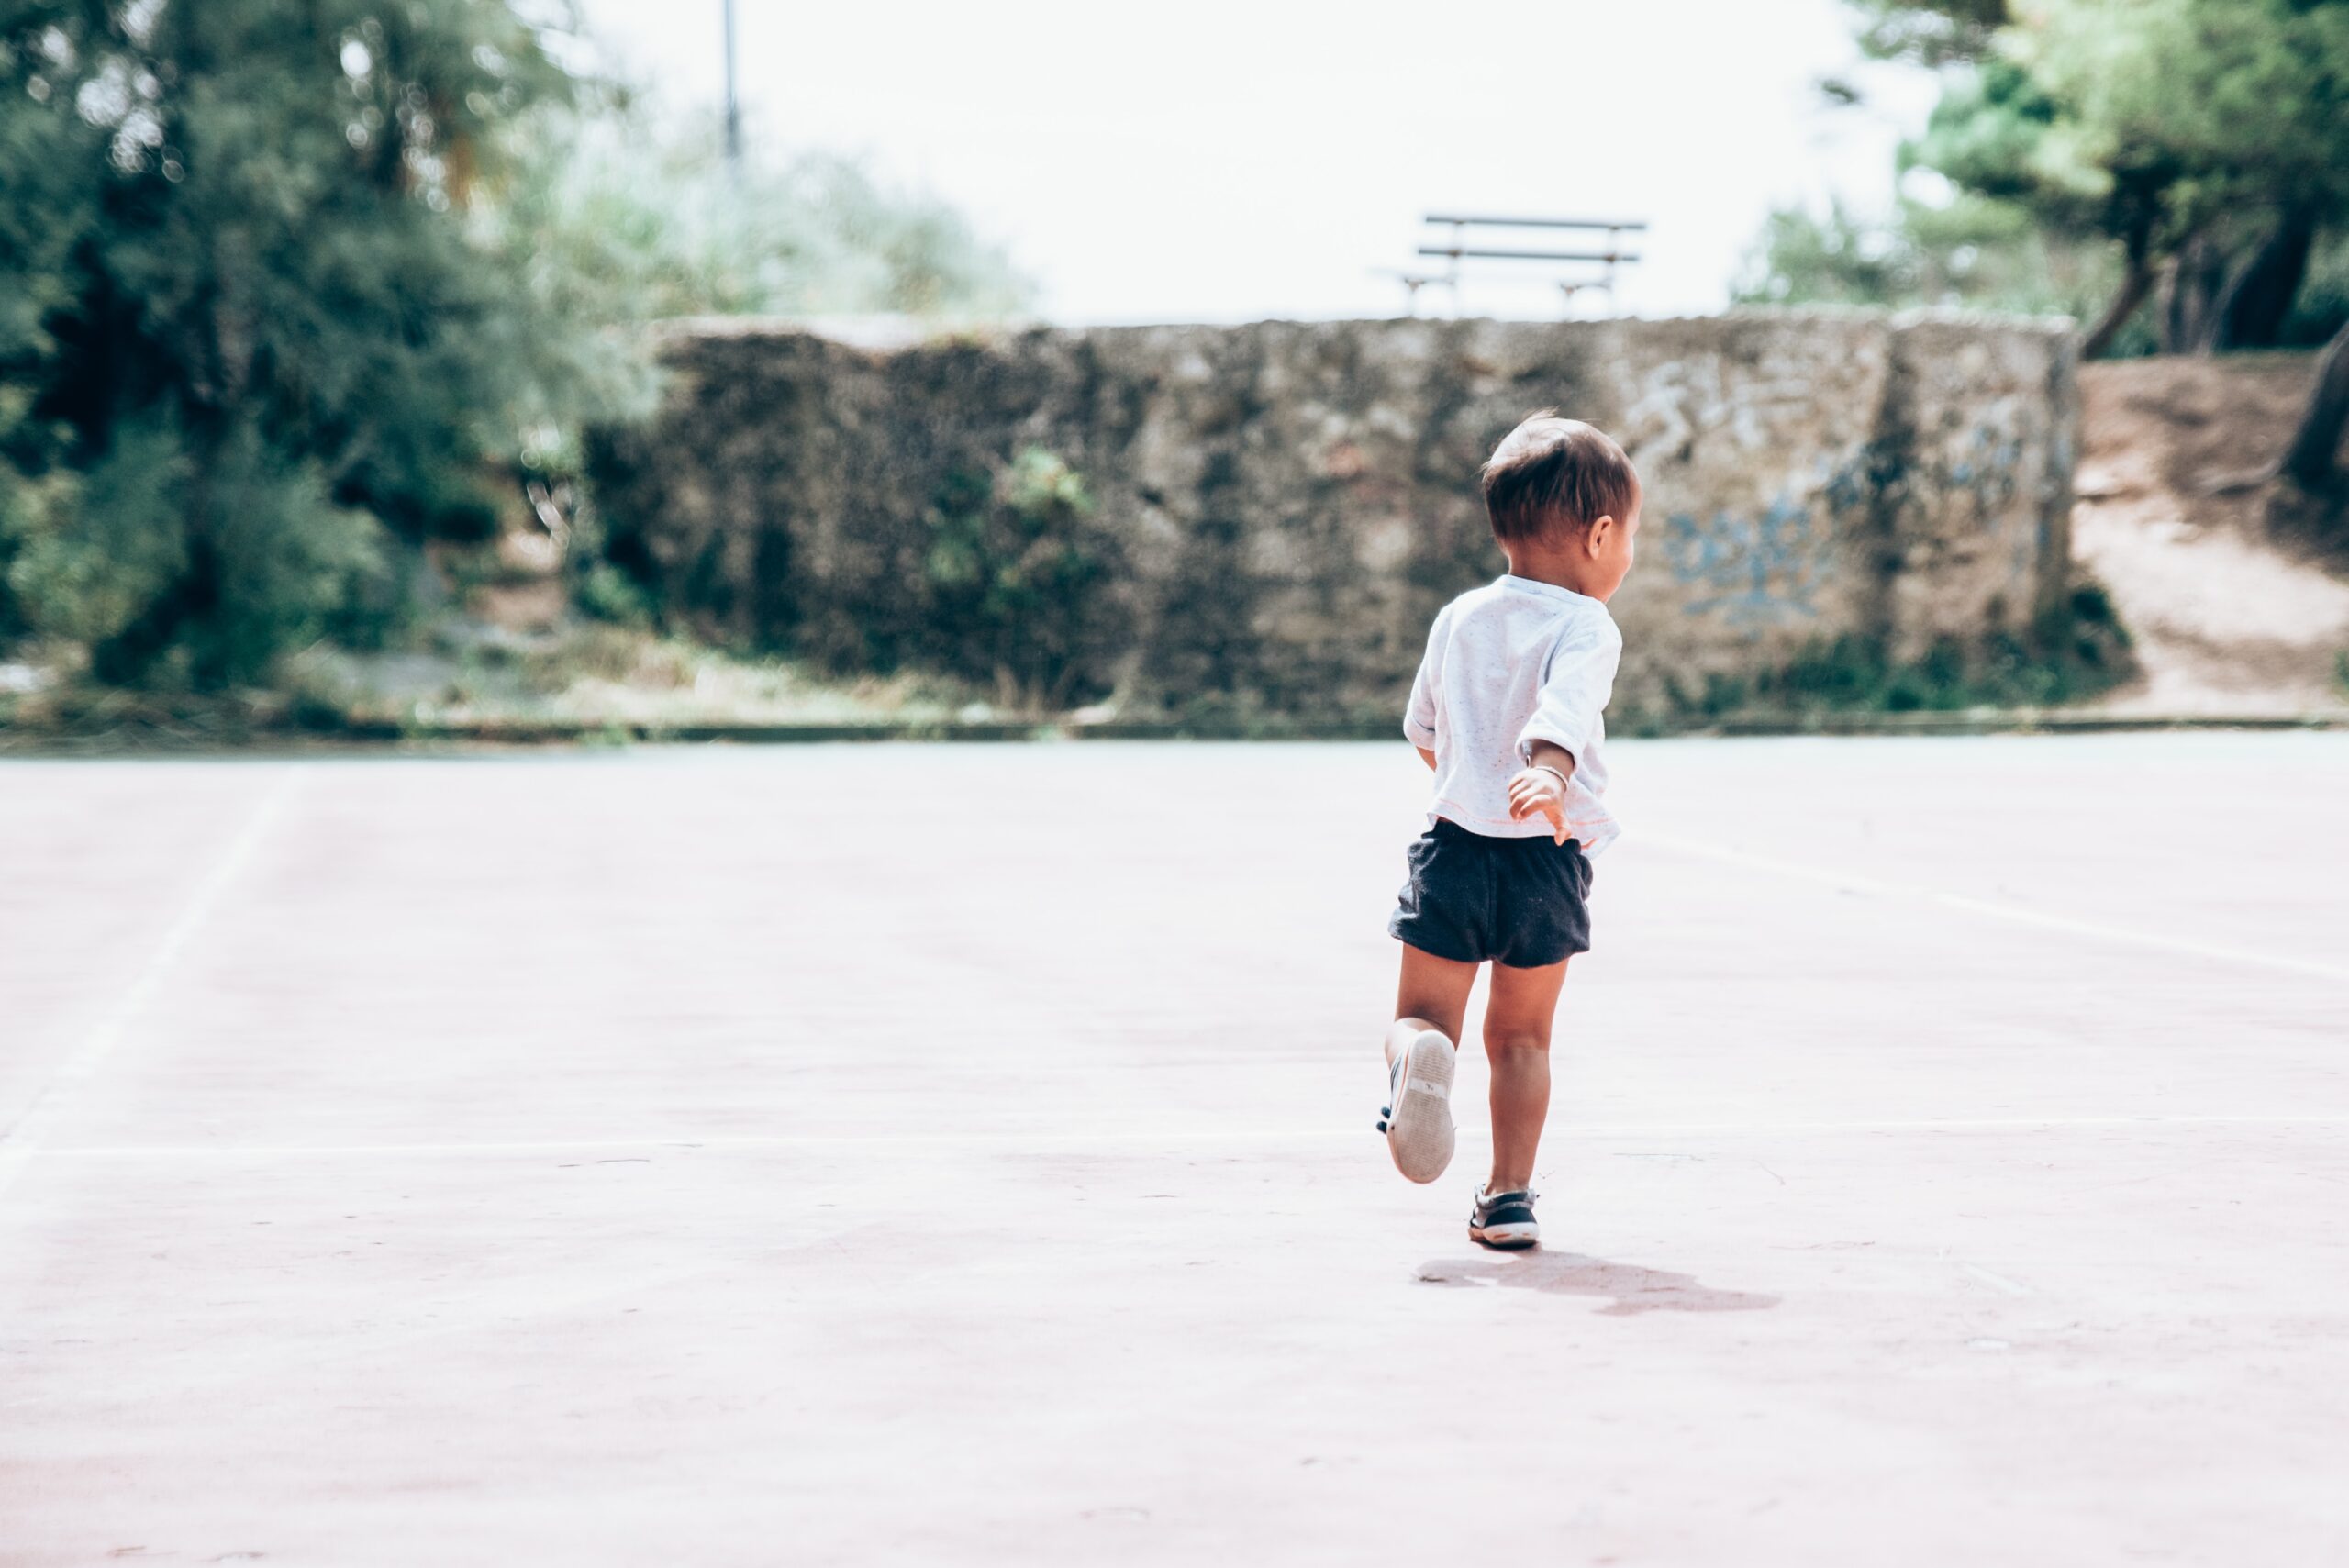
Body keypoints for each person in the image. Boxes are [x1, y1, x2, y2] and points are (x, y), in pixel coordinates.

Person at [1375, 411, 1640, 1250]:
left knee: (1423, 1016)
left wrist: (1477, 784)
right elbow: (1568, 707)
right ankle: (1509, 1197)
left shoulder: (1459, 617)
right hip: (1545, 862)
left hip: (1456, 848)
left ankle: (1417, 1061)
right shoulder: (1588, 623)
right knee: (1521, 1036)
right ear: (1602, 535)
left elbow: (1423, 730)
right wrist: (1549, 773)